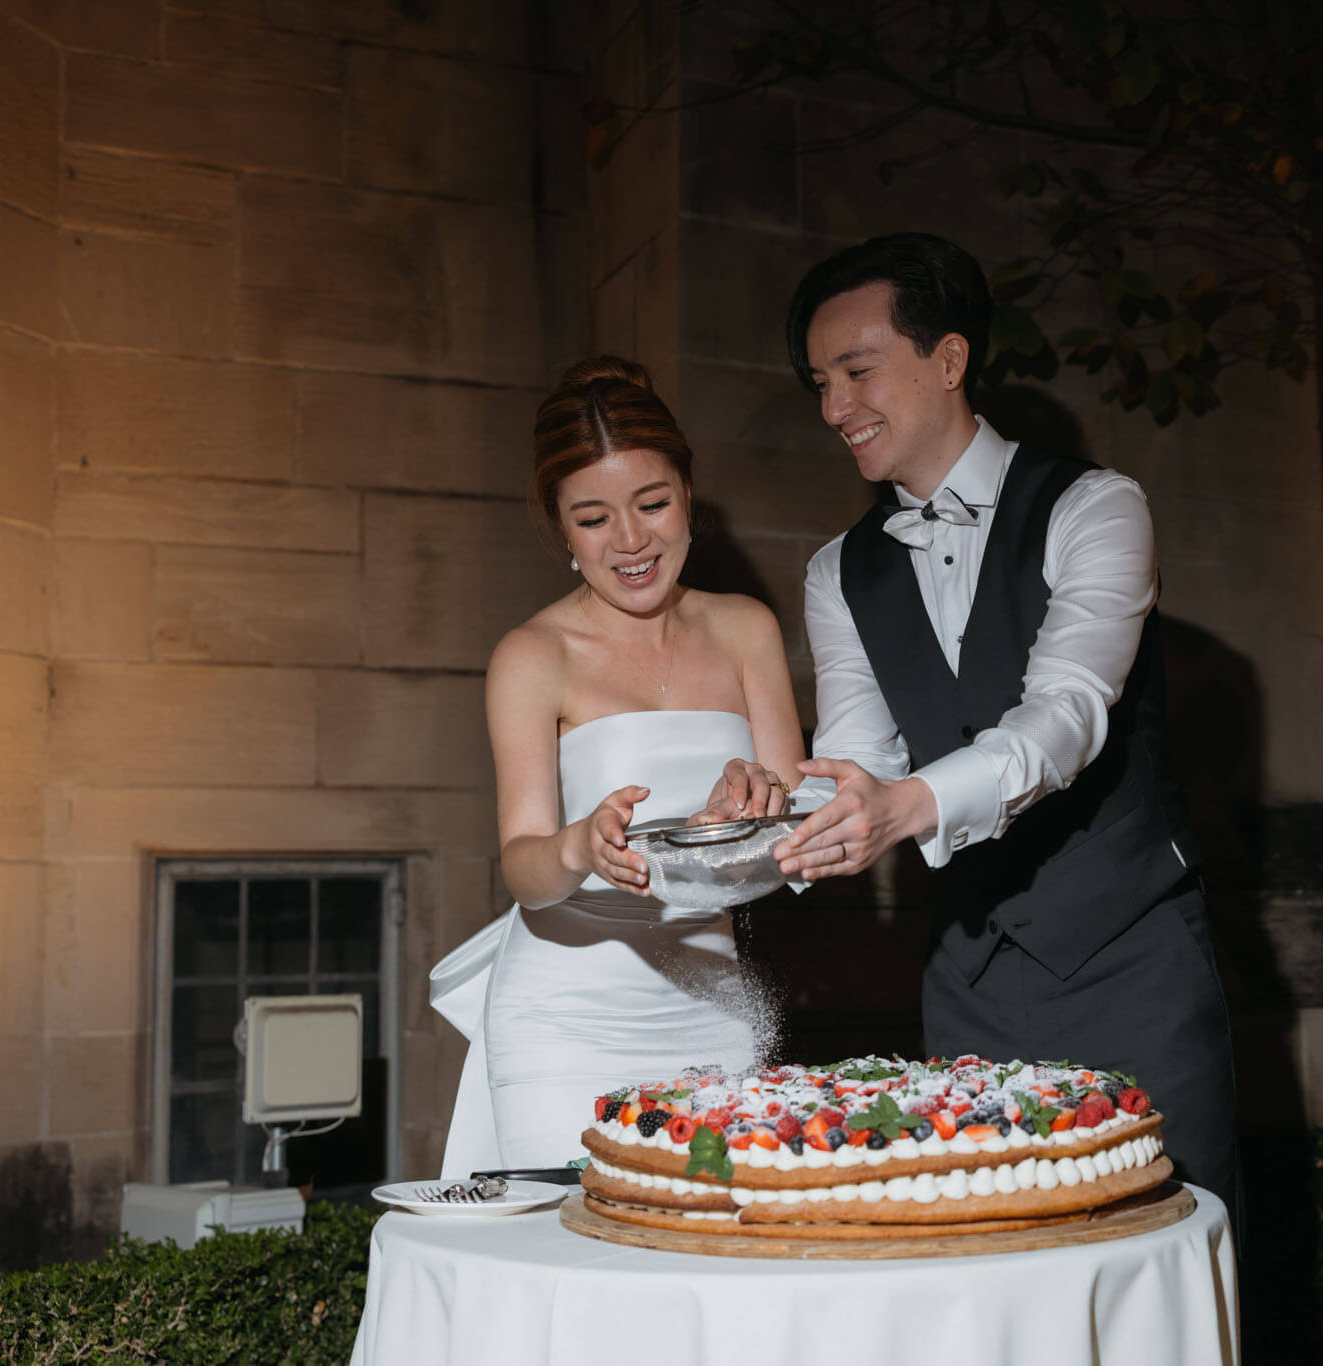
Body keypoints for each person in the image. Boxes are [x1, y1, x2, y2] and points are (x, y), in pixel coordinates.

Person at [763, 232, 1241, 1225]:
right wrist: (765, 811)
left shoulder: (1097, 507)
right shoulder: (837, 573)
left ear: (948, 359)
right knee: (991, 1260)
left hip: (1133, 960)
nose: (834, 408)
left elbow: (1064, 719)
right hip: (969, 977)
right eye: (820, 383)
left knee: (1162, 1245)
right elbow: (855, 764)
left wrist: (905, 806)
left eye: (856, 372)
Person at [429, 356, 805, 1176]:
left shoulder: (747, 629)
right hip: (563, 1020)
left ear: (688, 497)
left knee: (714, 1237)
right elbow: (524, 868)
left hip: (712, 1005)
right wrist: (580, 846)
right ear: (561, 529)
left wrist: (750, 815)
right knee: (565, 1241)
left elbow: (798, 848)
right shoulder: (532, 655)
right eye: (594, 518)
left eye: (653, 503)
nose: (631, 541)